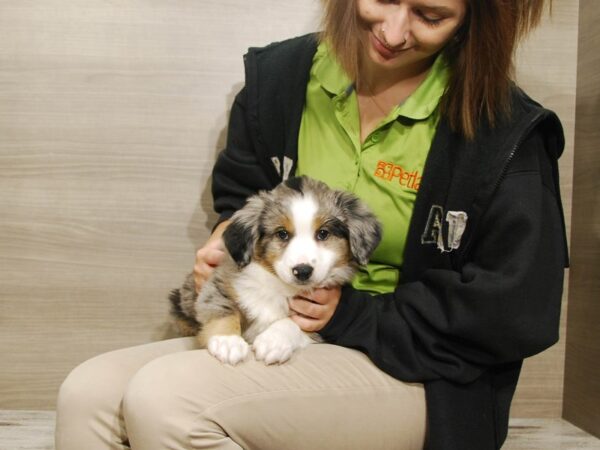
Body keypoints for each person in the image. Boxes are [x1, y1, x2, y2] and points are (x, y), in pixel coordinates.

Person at [55, 0, 568, 449]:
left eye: (430, 15)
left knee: (168, 402)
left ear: (471, 20)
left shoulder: (506, 133)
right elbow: (242, 194)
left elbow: (517, 309)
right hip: (271, 326)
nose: (392, 32)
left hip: (421, 372)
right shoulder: (279, 80)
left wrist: (351, 316)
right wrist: (227, 237)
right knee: (89, 394)